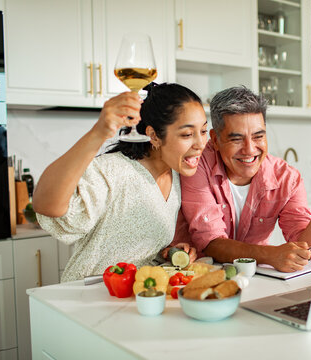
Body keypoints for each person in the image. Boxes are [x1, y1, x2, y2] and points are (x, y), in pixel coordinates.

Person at [33, 83, 208, 282]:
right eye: (187, 134)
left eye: (203, 131)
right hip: (89, 298)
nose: (201, 144)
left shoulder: (175, 176)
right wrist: (99, 132)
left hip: (135, 297)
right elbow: (47, 205)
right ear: (153, 136)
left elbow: (133, 245)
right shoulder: (112, 170)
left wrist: (165, 252)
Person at [173, 86, 311, 273]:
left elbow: (309, 251)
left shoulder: (287, 178)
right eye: (237, 139)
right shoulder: (197, 163)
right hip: (194, 277)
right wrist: (270, 255)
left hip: (256, 281)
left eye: (258, 137)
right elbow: (211, 243)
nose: (250, 149)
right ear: (215, 139)